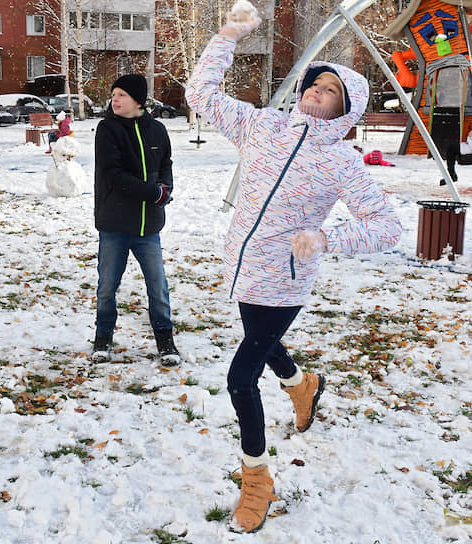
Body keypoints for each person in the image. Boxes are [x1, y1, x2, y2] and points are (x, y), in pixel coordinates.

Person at [185, 4, 402, 534]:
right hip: (244, 267)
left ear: (344, 110)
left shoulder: (341, 160)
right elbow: (201, 97)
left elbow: (387, 226)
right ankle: (302, 384)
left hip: (285, 281)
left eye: (330, 90)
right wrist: (227, 37)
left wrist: (327, 237)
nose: (315, 91)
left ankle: (257, 478)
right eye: (314, 83)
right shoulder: (264, 126)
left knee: (241, 376)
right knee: (262, 345)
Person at [92, 73, 181, 366]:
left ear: (138, 101)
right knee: (107, 285)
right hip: (115, 223)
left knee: (158, 284)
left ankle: (165, 341)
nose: (115, 100)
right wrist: (154, 193)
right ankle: (103, 338)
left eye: (122, 95)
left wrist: (165, 188)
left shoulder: (157, 130)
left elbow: (165, 164)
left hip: (148, 226)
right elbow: (115, 176)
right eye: (114, 94)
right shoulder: (107, 130)